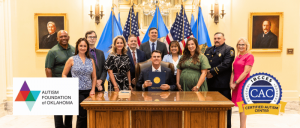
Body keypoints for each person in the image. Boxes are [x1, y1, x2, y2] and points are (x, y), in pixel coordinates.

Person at [62, 38, 96, 128]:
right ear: (77, 46)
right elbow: (64, 74)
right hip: (77, 91)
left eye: (85, 46)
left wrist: (93, 89)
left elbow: (94, 77)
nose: (83, 48)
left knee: (87, 115)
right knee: (82, 114)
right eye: (81, 45)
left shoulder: (91, 60)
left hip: (89, 92)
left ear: (87, 47)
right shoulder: (71, 59)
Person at [204, 32, 235, 128]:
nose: (216, 40)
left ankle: (227, 126)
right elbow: (204, 63)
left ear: (224, 39)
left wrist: (211, 72)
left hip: (223, 86)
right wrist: (205, 72)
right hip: (210, 84)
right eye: (215, 38)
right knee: (210, 108)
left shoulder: (229, 49)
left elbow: (226, 64)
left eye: (219, 38)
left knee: (225, 109)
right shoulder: (208, 49)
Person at [45, 30, 74, 128]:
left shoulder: (74, 50)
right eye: (61, 37)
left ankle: (68, 126)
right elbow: (48, 68)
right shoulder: (53, 51)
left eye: (65, 36)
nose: (63, 38)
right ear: (57, 39)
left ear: (68, 37)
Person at [230, 38, 254, 128]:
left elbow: (245, 72)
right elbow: (233, 70)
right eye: (239, 44)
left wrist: (235, 82)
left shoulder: (249, 56)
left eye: (243, 44)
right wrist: (231, 83)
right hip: (236, 83)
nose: (241, 46)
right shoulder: (237, 56)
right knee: (240, 106)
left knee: (243, 106)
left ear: (246, 46)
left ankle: (242, 127)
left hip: (243, 83)